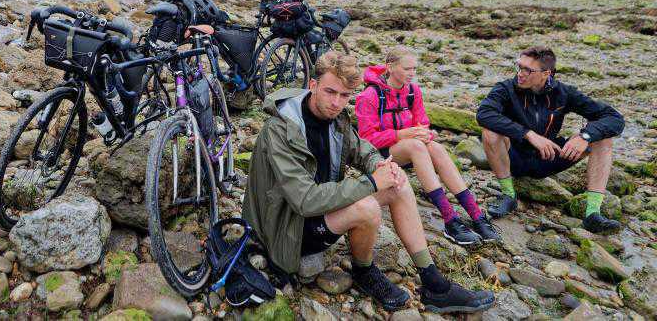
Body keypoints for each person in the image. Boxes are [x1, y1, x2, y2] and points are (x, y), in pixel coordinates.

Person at [242, 51, 494, 313]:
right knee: (367, 207)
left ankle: (433, 282)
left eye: (344, 96)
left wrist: (381, 166)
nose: (336, 102)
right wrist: (372, 182)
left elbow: (363, 150)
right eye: (330, 92)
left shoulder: (335, 120)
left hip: (318, 214)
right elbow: (304, 200)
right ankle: (364, 271)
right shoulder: (279, 129)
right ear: (313, 86)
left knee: (398, 182)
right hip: (284, 229)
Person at [355, 47, 501, 246]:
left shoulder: (413, 92)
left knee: (436, 147)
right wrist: (400, 134)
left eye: (414, 68)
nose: (412, 73)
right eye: (407, 69)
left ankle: (476, 215)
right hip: (379, 156)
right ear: (390, 67)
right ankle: (450, 219)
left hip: (410, 148)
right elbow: (364, 141)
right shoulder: (369, 96)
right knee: (417, 146)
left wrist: (426, 133)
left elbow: (423, 123)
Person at [476, 46, 625, 233]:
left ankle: (592, 214)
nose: (520, 74)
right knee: (490, 132)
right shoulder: (506, 88)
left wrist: (584, 136)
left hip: (548, 157)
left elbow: (614, 118)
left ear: (546, 73)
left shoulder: (563, 93)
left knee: (603, 140)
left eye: (527, 70)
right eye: (519, 67)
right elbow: (484, 114)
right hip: (513, 158)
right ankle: (508, 195)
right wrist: (528, 134)